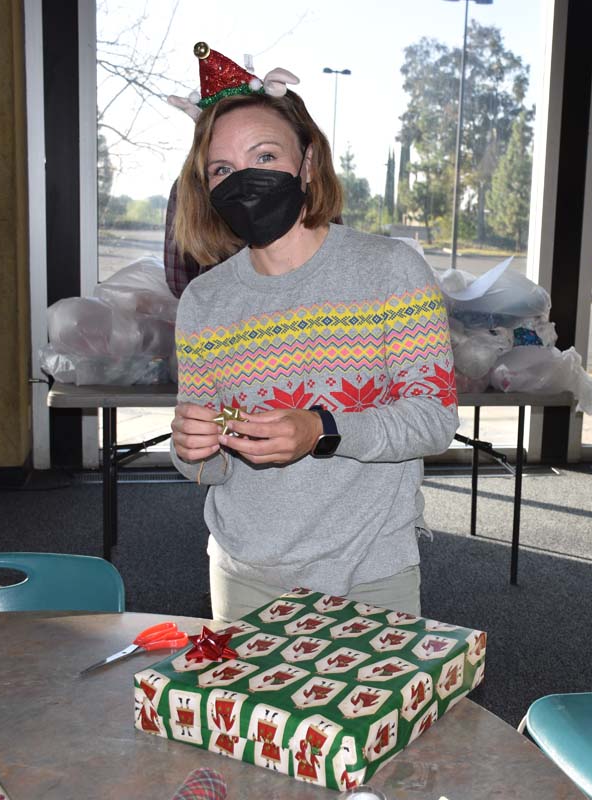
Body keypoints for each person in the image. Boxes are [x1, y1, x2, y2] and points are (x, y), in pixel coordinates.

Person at [169, 43, 459, 622]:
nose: (242, 179)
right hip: (241, 574)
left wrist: (321, 429)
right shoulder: (204, 302)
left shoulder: (390, 272)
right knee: (251, 717)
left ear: (307, 163)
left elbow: (433, 420)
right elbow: (209, 464)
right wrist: (190, 449)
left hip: (371, 574)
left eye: (265, 155)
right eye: (222, 169)